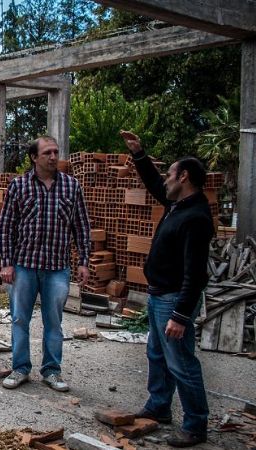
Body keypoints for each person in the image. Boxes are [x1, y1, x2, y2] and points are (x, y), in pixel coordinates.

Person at [120, 130, 213, 448]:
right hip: (159, 294)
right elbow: (156, 185)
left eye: (170, 174)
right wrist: (139, 155)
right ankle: (159, 407)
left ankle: (195, 425)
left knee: (181, 362)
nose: (165, 180)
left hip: (173, 299)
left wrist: (181, 314)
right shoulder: (178, 204)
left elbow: (196, 274)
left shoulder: (196, 217)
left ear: (183, 177)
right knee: (157, 354)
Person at [0, 136, 91, 392]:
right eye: (47, 152)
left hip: (57, 268)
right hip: (24, 265)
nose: (53, 157)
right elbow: (5, 227)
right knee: (19, 320)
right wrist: (7, 263)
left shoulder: (71, 186)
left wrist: (83, 261)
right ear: (34, 157)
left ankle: (52, 370)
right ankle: (20, 368)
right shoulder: (19, 186)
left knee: (54, 322)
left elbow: (81, 226)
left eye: (56, 152)